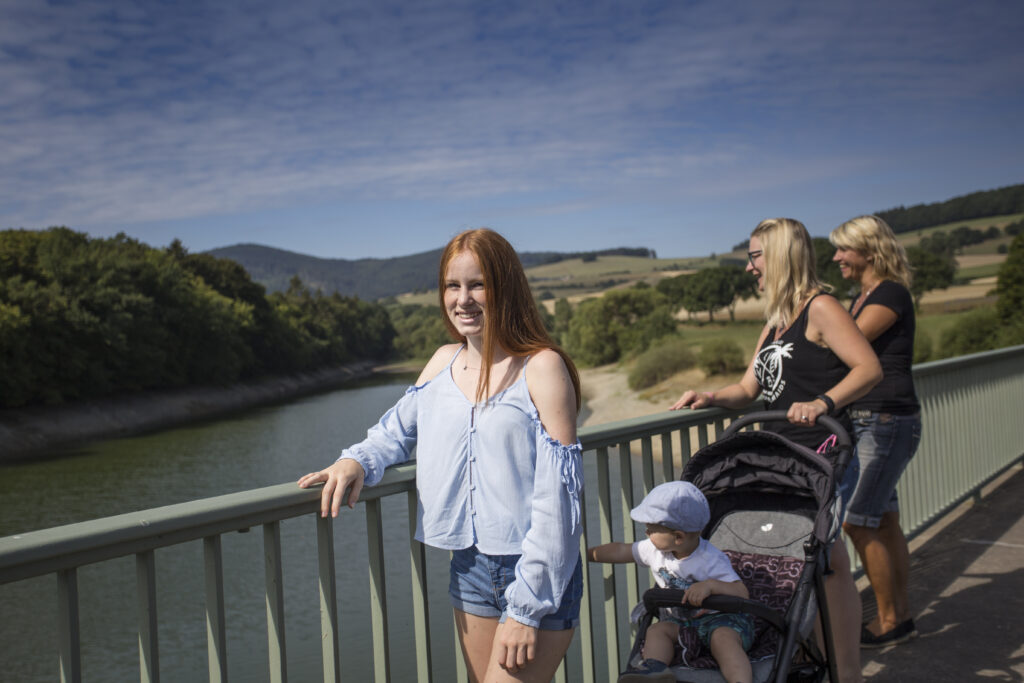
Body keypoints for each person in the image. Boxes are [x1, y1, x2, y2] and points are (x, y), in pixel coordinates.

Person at [298, 228, 585, 683]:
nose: (463, 299)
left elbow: (561, 501)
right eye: (453, 286)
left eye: (478, 284)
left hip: (536, 570)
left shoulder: (542, 366)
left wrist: (526, 609)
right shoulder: (442, 361)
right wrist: (354, 461)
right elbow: (394, 432)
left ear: (505, 287)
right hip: (469, 566)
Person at [669, 218, 882, 683]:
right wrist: (709, 396)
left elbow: (869, 368)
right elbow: (749, 388)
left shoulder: (821, 308)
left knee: (828, 559)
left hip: (820, 451)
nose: (750, 267)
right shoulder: (777, 320)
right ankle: (809, 656)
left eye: (755, 256)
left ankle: (844, 669)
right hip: (781, 459)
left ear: (781, 255)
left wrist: (823, 403)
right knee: (815, 561)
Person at [830, 215, 922, 648]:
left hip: (884, 419)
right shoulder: (864, 295)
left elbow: (847, 343)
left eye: (843, 249)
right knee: (883, 521)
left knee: (856, 523)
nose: (836, 258)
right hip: (874, 420)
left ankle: (889, 620)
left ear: (868, 250)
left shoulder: (889, 294)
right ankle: (899, 615)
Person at [589, 481, 755, 683]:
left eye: (651, 529)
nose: (646, 533)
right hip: (682, 623)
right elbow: (621, 550)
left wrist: (710, 585)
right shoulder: (654, 549)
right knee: (657, 630)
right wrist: (588, 554)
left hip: (721, 621)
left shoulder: (710, 559)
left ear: (678, 537)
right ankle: (654, 671)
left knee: (723, 639)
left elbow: (741, 592)